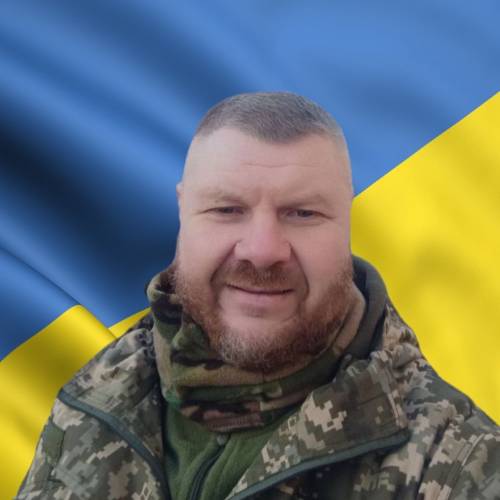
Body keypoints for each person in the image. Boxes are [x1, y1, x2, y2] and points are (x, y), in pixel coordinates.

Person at [17, 92, 499, 499]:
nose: (263, 251)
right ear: (184, 212)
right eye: (227, 210)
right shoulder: (96, 399)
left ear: (347, 225)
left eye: (303, 213)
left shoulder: (462, 465)